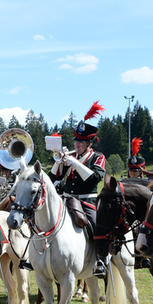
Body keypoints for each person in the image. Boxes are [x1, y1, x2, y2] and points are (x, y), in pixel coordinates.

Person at [50, 101, 107, 278]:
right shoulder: (70, 156)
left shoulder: (98, 157)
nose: (77, 145)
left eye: (81, 143)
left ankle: (100, 261)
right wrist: (59, 162)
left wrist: (74, 162)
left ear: (90, 143)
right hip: (65, 199)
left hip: (86, 202)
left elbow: (95, 177)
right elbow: (53, 179)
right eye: (76, 141)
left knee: (97, 226)